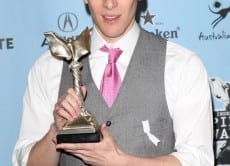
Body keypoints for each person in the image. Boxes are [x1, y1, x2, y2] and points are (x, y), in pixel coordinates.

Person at [13, 0, 214, 165]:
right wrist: (55, 131)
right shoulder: (48, 67)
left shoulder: (183, 65)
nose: (110, 4)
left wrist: (121, 161)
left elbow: (199, 160)